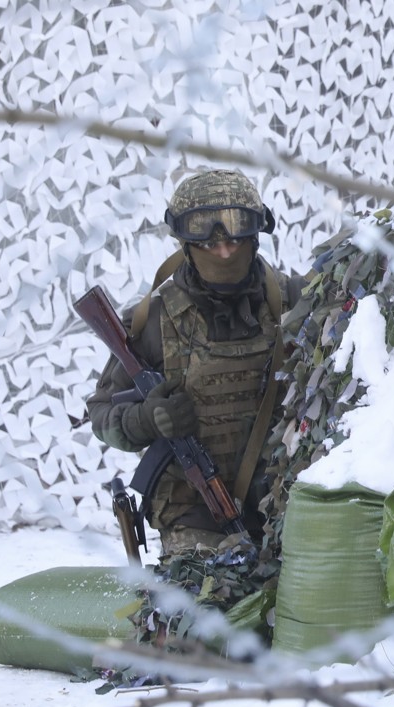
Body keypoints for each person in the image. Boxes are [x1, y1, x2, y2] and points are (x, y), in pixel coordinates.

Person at [87, 169, 304, 557]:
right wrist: (146, 420)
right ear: (185, 243)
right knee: (210, 603)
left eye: (236, 234)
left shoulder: (294, 303)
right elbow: (101, 415)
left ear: (256, 234)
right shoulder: (152, 321)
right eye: (208, 238)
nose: (223, 251)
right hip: (195, 513)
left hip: (289, 504)